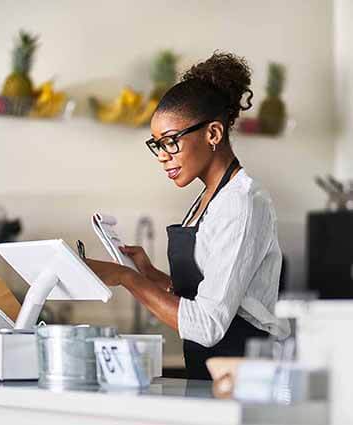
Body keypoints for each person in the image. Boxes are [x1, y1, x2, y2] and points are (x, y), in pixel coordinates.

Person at [86, 52, 290, 380]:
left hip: (246, 379)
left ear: (212, 134)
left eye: (171, 142)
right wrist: (151, 275)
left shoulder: (242, 202)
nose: (163, 157)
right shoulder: (207, 199)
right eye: (157, 145)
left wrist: (127, 279)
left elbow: (208, 325)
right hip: (211, 377)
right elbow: (208, 297)